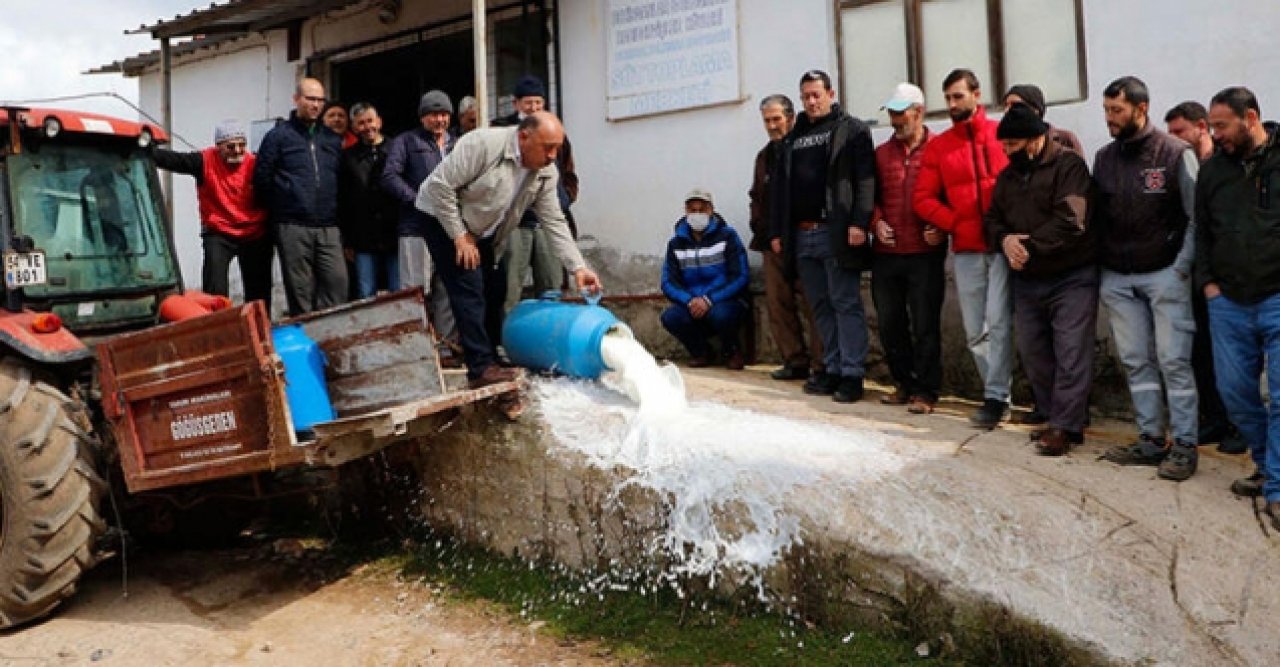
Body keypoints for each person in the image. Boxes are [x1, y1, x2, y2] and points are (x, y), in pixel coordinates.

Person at [418, 111, 601, 388]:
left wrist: (578, 267)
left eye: (557, 149)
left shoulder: (545, 172)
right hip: (441, 216)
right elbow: (439, 188)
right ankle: (479, 368)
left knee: (496, 287)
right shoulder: (482, 144)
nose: (553, 155)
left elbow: (553, 219)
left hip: (482, 227)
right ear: (524, 136)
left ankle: (490, 357)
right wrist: (459, 236)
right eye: (547, 147)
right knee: (469, 287)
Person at [1093, 76, 1200, 481]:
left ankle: (1185, 444)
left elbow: (1197, 217)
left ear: (1141, 108)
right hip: (1119, 279)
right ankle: (1151, 439)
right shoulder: (1104, 158)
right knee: (1137, 361)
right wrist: (1104, 270)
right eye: (1106, 110)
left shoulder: (1175, 153)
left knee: (1174, 362)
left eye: (1116, 110)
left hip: (1165, 274)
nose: (1109, 118)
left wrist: (1181, 269)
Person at [986, 104, 1098, 455]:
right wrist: (1005, 241)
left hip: (1071, 276)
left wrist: (1027, 247)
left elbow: (1071, 220)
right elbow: (992, 220)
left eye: (1013, 145)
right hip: (1029, 280)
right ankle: (1055, 418)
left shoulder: (1069, 166)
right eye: (1004, 145)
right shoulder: (1007, 177)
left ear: (1036, 139)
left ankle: (1065, 426)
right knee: (1035, 354)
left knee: (1070, 352)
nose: (1007, 152)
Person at [1195, 86, 1280, 526]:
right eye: (1211, 126)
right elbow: (1202, 232)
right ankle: (1269, 466)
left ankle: (1277, 485)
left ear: (1251, 118)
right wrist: (1208, 284)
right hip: (1228, 300)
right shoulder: (1212, 172)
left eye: (1222, 125)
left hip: (1277, 298)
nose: (1216, 134)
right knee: (1236, 396)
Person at [913, 68, 1013, 428]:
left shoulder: (1002, 133)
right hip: (968, 249)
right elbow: (922, 197)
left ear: (977, 94)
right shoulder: (940, 146)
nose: (953, 104)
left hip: (1003, 247)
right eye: (948, 98)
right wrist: (955, 222)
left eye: (959, 96)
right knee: (975, 329)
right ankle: (997, 392)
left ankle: (997, 397)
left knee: (1001, 322)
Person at [769, 69, 875, 404]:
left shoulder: (852, 130)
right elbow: (781, 190)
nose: (812, 102)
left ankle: (852, 373)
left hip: (836, 232)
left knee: (845, 303)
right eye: (806, 96)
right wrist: (778, 232)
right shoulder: (793, 138)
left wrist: (860, 222)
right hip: (802, 235)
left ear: (830, 93)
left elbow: (866, 181)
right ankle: (830, 368)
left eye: (817, 95)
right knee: (819, 306)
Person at [1166, 100, 1246, 454]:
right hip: (1197, 276)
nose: (1175, 140)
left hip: (1232, 278)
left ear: (1201, 127)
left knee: (1233, 359)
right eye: (1169, 134)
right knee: (1200, 351)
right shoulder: (1182, 165)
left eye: (1180, 132)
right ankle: (1213, 418)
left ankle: (1238, 425)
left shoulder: (1225, 164)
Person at [871, 83, 945, 414]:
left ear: (919, 111)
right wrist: (875, 223)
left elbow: (951, 195)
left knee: (925, 324)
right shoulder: (881, 154)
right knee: (890, 323)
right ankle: (903, 383)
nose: (895, 119)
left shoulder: (939, 149)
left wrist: (942, 226)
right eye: (892, 113)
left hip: (924, 254)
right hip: (887, 254)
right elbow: (868, 198)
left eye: (901, 113)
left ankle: (927, 391)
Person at [152, 120, 273, 311]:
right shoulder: (203, 161)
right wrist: (143, 149)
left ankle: (261, 324)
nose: (237, 150)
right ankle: (217, 323)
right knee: (215, 286)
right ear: (218, 147)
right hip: (219, 232)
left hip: (253, 231)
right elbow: (173, 160)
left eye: (242, 145)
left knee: (258, 289)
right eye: (231, 146)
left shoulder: (255, 164)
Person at [253, 77, 348, 316]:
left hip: (328, 224)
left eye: (320, 100)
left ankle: (328, 338)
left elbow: (340, 178)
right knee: (301, 291)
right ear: (296, 99)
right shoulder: (279, 136)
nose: (316, 104)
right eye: (310, 99)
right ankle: (306, 344)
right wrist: (283, 207)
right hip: (292, 225)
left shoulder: (332, 139)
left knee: (338, 283)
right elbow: (261, 177)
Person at [749, 94, 821, 381]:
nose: (772, 126)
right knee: (778, 304)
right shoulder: (764, 156)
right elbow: (756, 196)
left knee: (813, 303)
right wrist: (763, 231)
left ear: (790, 118)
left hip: (804, 238)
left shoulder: (805, 149)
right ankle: (794, 360)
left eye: (777, 119)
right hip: (772, 243)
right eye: (767, 120)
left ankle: (821, 365)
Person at [493, 75, 579, 312]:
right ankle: (504, 342)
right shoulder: (502, 131)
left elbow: (569, 173)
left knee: (551, 287)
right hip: (515, 224)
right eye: (529, 103)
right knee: (509, 289)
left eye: (539, 103)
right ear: (516, 104)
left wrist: (564, 199)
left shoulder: (555, 132)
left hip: (546, 223)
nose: (534, 108)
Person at [382, 90, 457, 348]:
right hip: (416, 227)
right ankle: (417, 347)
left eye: (444, 114)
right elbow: (390, 176)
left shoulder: (456, 143)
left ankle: (447, 347)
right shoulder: (406, 141)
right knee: (415, 290)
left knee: (446, 289)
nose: (439, 120)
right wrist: (416, 199)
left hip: (449, 227)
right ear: (423, 117)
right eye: (433, 115)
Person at [660, 189, 749, 369]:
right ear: (686, 212)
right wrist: (690, 300)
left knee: (722, 315)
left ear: (711, 210)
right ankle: (701, 352)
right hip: (692, 303)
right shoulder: (676, 243)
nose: (697, 214)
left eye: (702, 209)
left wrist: (709, 300)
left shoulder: (727, 236)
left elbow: (740, 276)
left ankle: (731, 351)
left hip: (723, 302)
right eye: (693, 210)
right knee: (670, 317)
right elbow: (668, 282)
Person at [338, 103, 399, 298]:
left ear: (379, 122)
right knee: (366, 291)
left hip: (394, 233)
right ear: (355, 128)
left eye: (370, 121)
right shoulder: (348, 158)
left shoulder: (397, 149)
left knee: (399, 290)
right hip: (363, 236)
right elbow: (343, 200)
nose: (367, 127)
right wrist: (347, 240)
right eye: (361, 123)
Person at [1002, 84, 1084, 156]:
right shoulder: (1006, 144)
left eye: (1015, 105)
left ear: (1035, 110)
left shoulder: (1065, 139)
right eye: (1006, 105)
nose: (1007, 110)